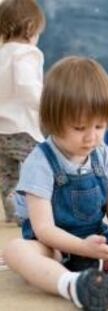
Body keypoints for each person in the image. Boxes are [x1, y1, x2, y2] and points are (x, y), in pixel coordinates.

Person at [3, 57, 108, 310]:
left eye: (99, 126)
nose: (92, 136)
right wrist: (80, 247)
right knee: (15, 251)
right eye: (79, 127)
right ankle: (70, 283)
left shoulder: (104, 155)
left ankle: (104, 265)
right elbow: (44, 230)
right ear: (53, 119)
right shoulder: (40, 162)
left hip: (97, 242)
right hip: (54, 248)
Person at [0, 0, 45, 223]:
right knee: (34, 169)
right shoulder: (26, 54)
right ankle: (28, 212)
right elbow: (28, 86)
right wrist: (46, 104)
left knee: (7, 174)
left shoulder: (2, 54)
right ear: (29, 29)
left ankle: (11, 209)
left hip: (1, 130)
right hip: (23, 129)